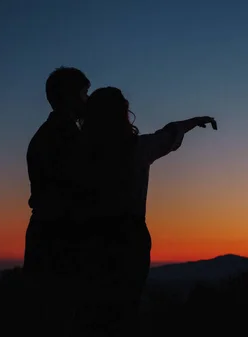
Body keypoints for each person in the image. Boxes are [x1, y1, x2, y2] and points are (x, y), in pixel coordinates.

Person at [74, 86, 217, 336]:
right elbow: (170, 133)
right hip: (128, 239)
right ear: (123, 114)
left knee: (93, 310)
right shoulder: (138, 148)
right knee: (125, 309)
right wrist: (193, 122)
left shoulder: (77, 152)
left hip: (86, 239)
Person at [22, 66, 90, 336]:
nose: (88, 100)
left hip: (48, 233)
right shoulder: (66, 137)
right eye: (85, 94)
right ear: (71, 97)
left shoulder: (48, 134)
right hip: (60, 237)